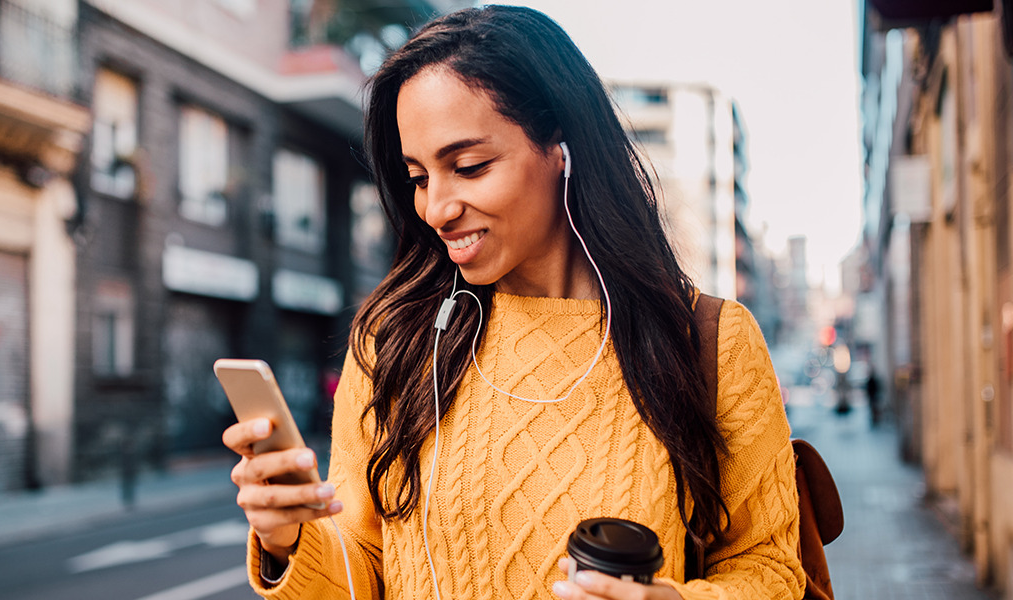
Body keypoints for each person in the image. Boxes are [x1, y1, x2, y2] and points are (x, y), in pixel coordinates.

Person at [221, 5, 804, 600]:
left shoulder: (710, 341)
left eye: (469, 167)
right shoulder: (392, 340)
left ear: (561, 146)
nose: (437, 208)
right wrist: (288, 539)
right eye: (419, 177)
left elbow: (773, 571)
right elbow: (362, 568)